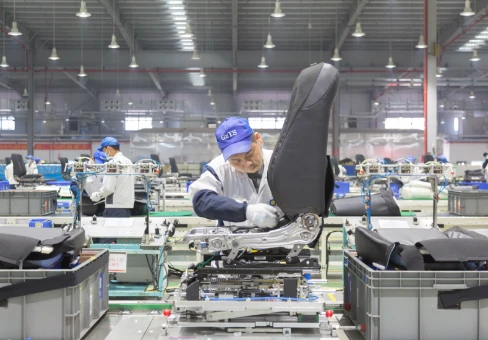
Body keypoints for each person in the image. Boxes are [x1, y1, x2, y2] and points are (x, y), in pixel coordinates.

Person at [189, 117, 280, 228]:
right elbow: (201, 201)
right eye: (236, 160)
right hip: (235, 242)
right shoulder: (218, 169)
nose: (247, 163)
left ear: (258, 139)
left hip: (282, 241)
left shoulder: (281, 162)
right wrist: (246, 211)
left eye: (249, 154)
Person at [90, 137, 135, 218]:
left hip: (114, 208)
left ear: (108, 149)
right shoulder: (128, 162)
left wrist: (98, 195)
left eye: (104, 151)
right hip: (126, 207)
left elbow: (108, 188)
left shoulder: (112, 163)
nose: (104, 154)